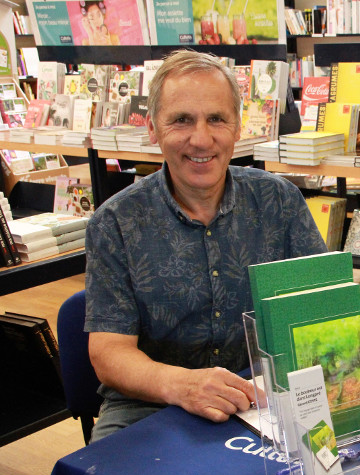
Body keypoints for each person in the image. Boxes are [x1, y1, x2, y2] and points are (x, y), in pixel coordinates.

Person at [84, 50, 328, 441]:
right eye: (182, 120)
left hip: (263, 391)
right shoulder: (116, 223)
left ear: (238, 126)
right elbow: (109, 355)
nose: (201, 139)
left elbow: (325, 303)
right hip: (151, 401)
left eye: (216, 119)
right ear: (152, 129)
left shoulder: (279, 202)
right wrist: (182, 386)